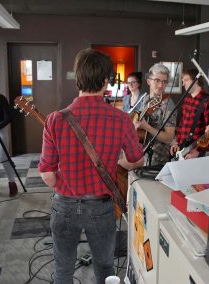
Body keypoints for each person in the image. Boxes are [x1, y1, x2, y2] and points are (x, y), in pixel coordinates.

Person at [38, 48, 144, 284]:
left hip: (64, 204)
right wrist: (117, 162)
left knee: (63, 268)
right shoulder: (121, 119)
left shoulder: (55, 119)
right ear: (106, 80)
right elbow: (137, 160)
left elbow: (47, 174)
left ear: (77, 78)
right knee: (105, 267)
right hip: (101, 207)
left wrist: (65, 187)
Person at [170, 68, 209, 159]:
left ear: (196, 80)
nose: (183, 84)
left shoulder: (208, 101)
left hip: (196, 149)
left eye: (186, 80)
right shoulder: (187, 99)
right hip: (183, 146)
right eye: (182, 81)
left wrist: (198, 151)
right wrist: (177, 142)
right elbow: (182, 124)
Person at [134, 63, 176, 166]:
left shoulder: (168, 105)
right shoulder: (145, 99)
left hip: (157, 160)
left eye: (164, 82)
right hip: (141, 154)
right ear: (148, 81)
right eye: (157, 80)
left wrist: (147, 127)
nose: (161, 85)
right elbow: (137, 120)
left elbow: (169, 138)